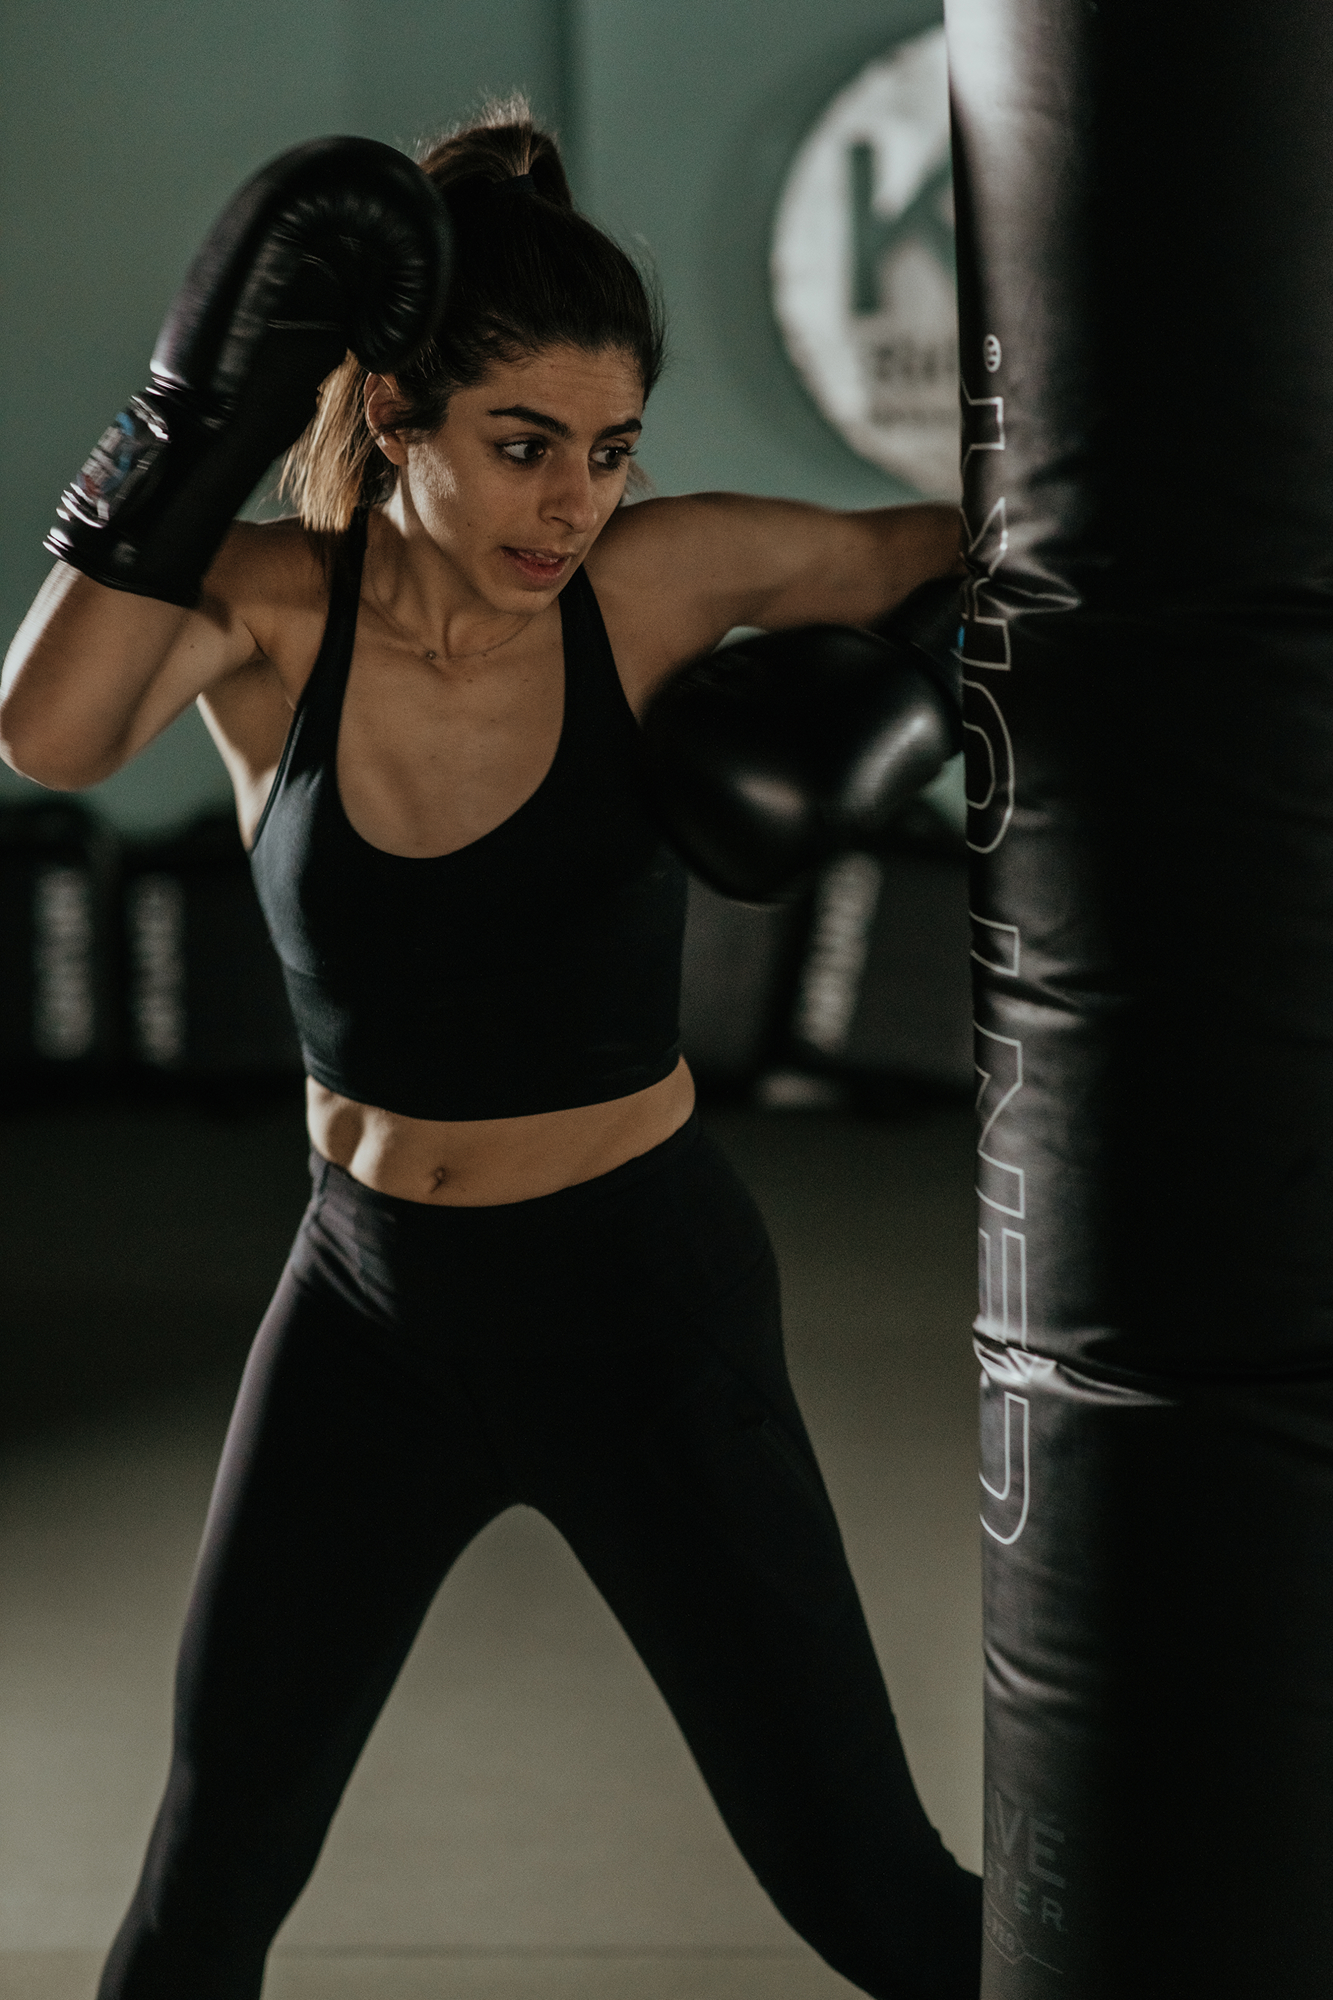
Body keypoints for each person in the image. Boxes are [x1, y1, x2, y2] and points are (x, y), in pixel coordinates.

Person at [0, 101, 978, 2000]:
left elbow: (980, 543)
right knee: (207, 1878)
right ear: (392, 418)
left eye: (608, 452)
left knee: (864, 1885)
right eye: (523, 448)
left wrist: (918, 683)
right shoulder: (282, 613)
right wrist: (180, 436)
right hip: (365, 1305)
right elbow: (48, 735)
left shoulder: (660, 580)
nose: (571, 505)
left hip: (639, 1302)